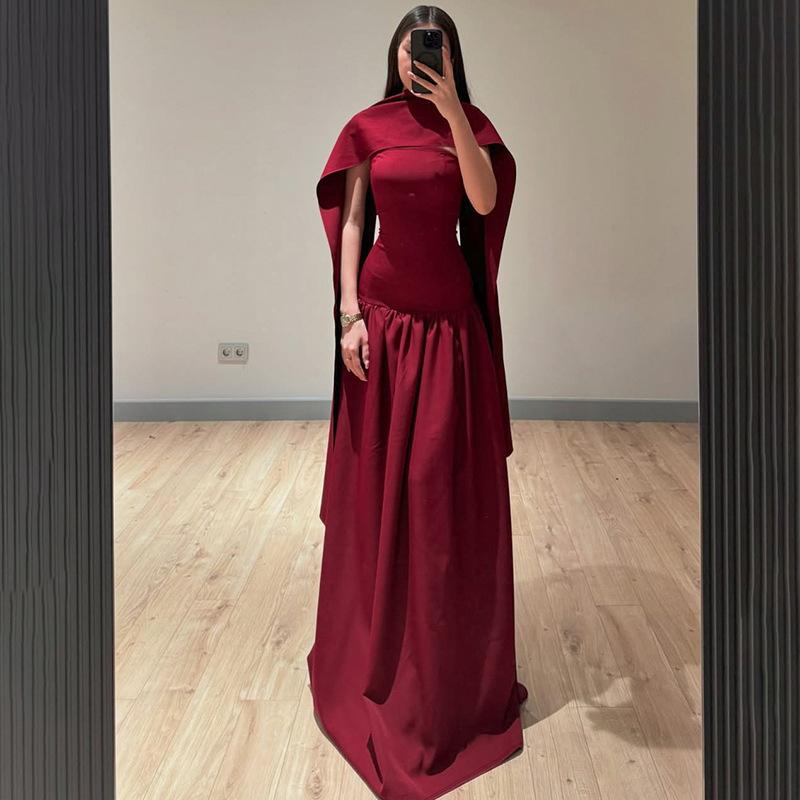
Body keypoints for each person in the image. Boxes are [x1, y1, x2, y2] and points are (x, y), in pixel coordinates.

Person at [306, 7, 528, 799]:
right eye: (409, 46)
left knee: (440, 496)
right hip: (385, 327)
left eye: (432, 48)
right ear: (395, 55)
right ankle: (373, 641)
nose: (417, 58)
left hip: (448, 334)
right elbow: (353, 222)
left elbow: (484, 201)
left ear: (450, 57)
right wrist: (347, 316)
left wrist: (455, 115)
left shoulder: (471, 126)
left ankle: (444, 663)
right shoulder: (367, 128)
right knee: (377, 491)